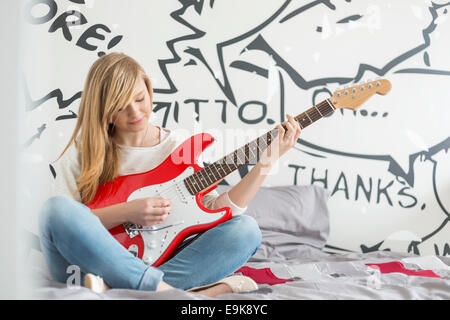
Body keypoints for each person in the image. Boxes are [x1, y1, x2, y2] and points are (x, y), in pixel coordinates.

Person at [38, 52, 302, 297]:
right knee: (54, 209)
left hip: (152, 261)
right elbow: (63, 222)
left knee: (246, 230)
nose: (135, 112)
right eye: (120, 106)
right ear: (103, 110)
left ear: (149, 91)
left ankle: (123, 289)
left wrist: (269, 158)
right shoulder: (82, 151)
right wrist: (127, 212)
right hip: (86, 269)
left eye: (140, 99)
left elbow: (217, 209)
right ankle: (170, 292)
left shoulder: (177, 146)